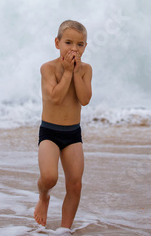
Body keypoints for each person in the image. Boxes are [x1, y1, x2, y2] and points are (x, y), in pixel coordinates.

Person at [34, 20, 93, 230]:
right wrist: (67, 72)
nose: (74, 49)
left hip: (72, 134)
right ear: (57, 43)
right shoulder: (47, 68)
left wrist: (75, 72)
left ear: (85, 47)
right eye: (68, 42)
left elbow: (85, 99)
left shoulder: (85, 70)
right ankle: (43, 197)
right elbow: (55, 98)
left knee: (75, 184)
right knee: (49, 177)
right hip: (50, 132)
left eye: (80, 44)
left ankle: (65, 230)